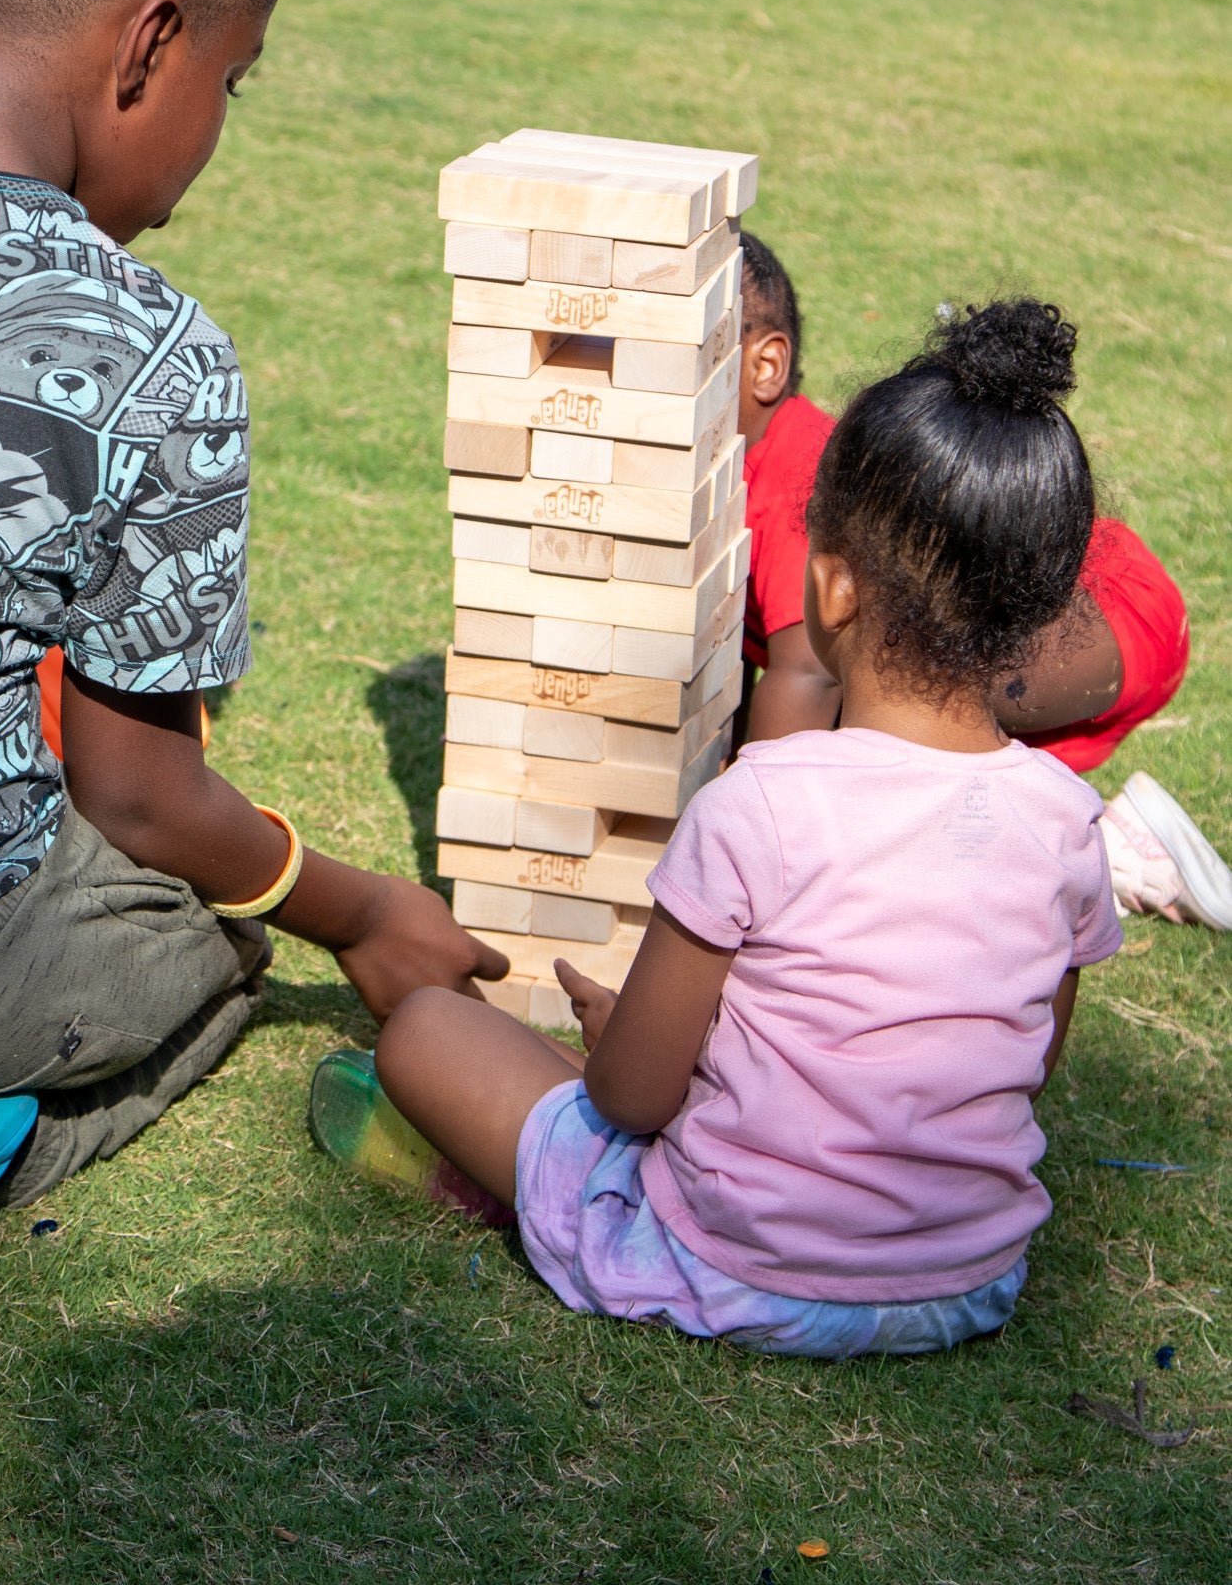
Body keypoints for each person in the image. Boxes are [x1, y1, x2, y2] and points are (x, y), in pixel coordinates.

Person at [0, 0, 505, 1209]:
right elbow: (144, 800)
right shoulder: (154, 357)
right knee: (197, 943)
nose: (216, 133)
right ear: (148, 46)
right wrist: (354, 911)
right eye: (235, 80)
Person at [311, 300, 1123, 1360]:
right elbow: (1028, 1057)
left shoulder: (762, 799)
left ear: (831, 586)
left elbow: (637, 1097)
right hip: (964, 1283)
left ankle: (500, 1190)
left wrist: (627, 1042)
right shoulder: (1066, 818)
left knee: (426, 1028)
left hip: (729, 1266)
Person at [736, 236, 1230, 929]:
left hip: (1093, 605)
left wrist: (749, 844)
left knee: (910, 686)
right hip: (1064, 605)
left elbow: (802, 673)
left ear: (764, 363)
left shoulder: (790, 471)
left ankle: (1067, 849)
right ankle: (1110, 851)